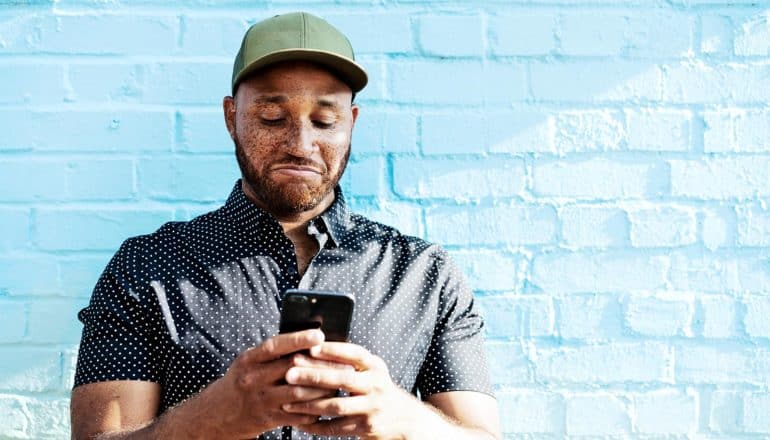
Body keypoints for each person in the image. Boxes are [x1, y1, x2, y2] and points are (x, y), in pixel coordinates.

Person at [70, 11, 500, 440]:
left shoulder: (425, 275)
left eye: (325, 121)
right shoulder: (148, 266)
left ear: (351, 123)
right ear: (230, 117)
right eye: (272, 118)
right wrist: (209, 419)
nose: (300, 145)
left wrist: (402, 418)